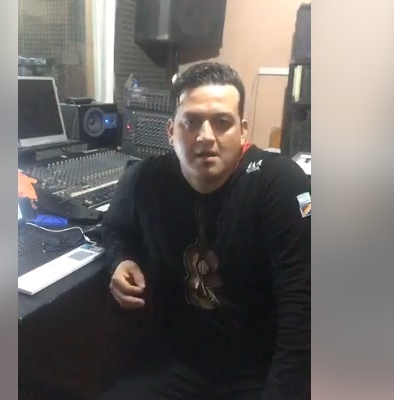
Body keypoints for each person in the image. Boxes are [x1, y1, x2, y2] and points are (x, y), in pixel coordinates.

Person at [99, 62, 311, 400]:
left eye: (222, 122)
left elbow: (301, 319)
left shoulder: (280, 184)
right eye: (191, 122)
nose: (206, 137)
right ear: (171, 131)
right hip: (176, 366)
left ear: (243, 131)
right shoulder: (145, 179)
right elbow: (114, 228)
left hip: (257, 372)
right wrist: (121, 260)